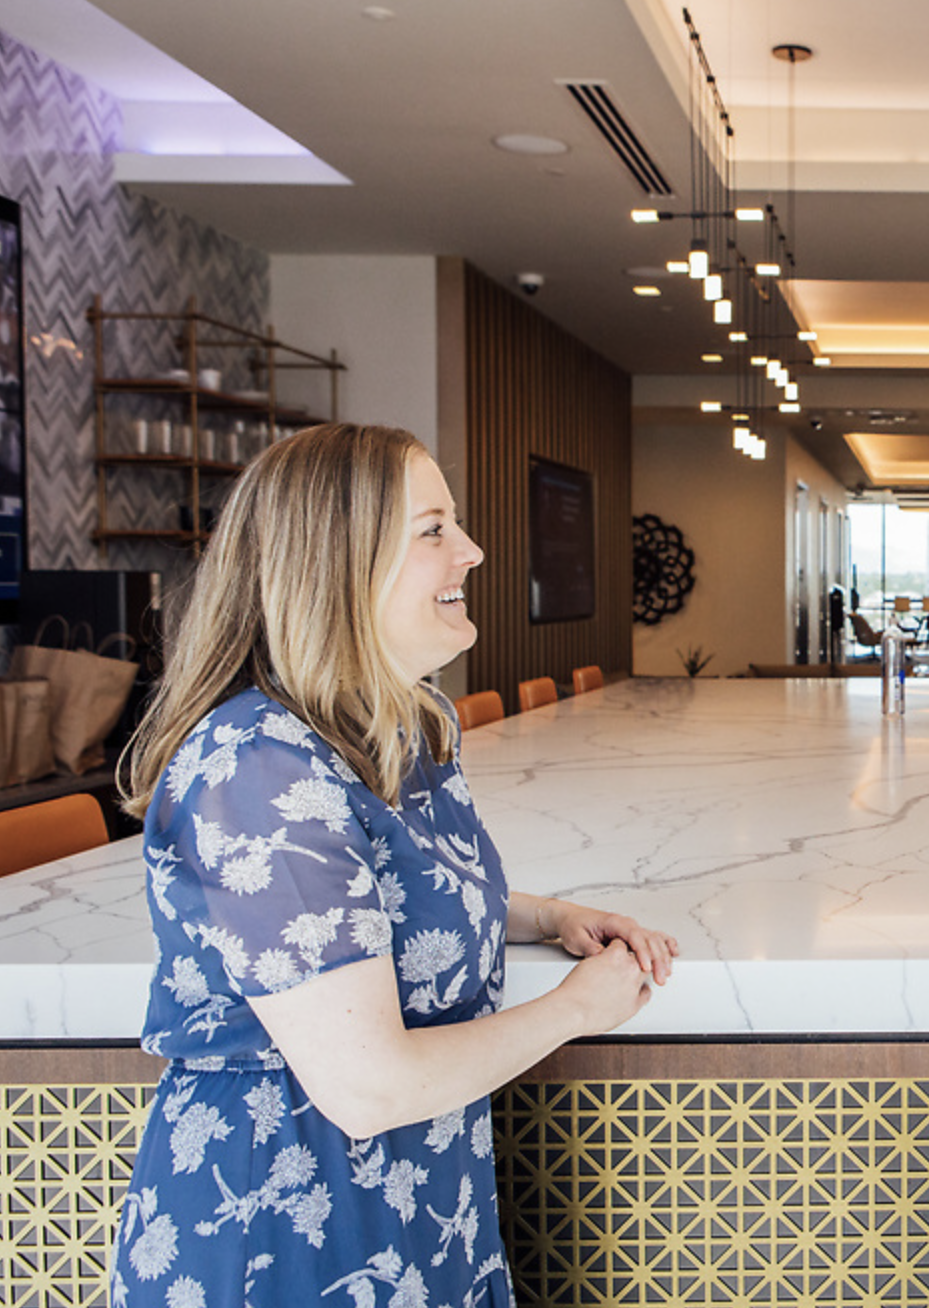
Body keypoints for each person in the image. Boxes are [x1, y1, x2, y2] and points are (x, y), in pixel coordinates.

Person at [110, 424, 679, 1308]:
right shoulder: (260, 767)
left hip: (417, 1209)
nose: (473, 550)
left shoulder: (401, 728)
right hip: (289, 1232)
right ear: (336, 565)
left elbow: (385, 892)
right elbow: (368, 1085)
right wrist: (574, 1010)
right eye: (433, 529)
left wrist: (545, 914)